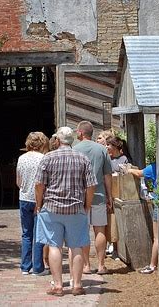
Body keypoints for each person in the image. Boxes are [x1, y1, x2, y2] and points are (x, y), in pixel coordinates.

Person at [35, 126, 97, 297]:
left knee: (54, 246)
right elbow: (91, 185)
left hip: (52, 207)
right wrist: (87, 205)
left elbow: (39, 184)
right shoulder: (82, 158)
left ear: (57, 140)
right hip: (76, 207)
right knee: (76, 246)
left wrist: (39, 204)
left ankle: (58, 286)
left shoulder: (48, 158)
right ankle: (77, 285)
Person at [73, 121, 112, 275]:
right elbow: (107, 175)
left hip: (80, 196)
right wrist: (110, 195)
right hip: (99, 194)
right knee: (100, 229)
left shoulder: (74, 150)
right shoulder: (102, 149)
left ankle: (87, 265)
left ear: (81, 133)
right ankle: (101, 265)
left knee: (83, 230)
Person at [16, 131, 49, 276]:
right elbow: (44, 181)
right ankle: (38, 267)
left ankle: (25, 266)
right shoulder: (43, 158)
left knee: (26, 234)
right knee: (38, 233)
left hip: (24, 198)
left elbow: (18, 181)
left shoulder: (21, 158)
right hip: (38, 198)